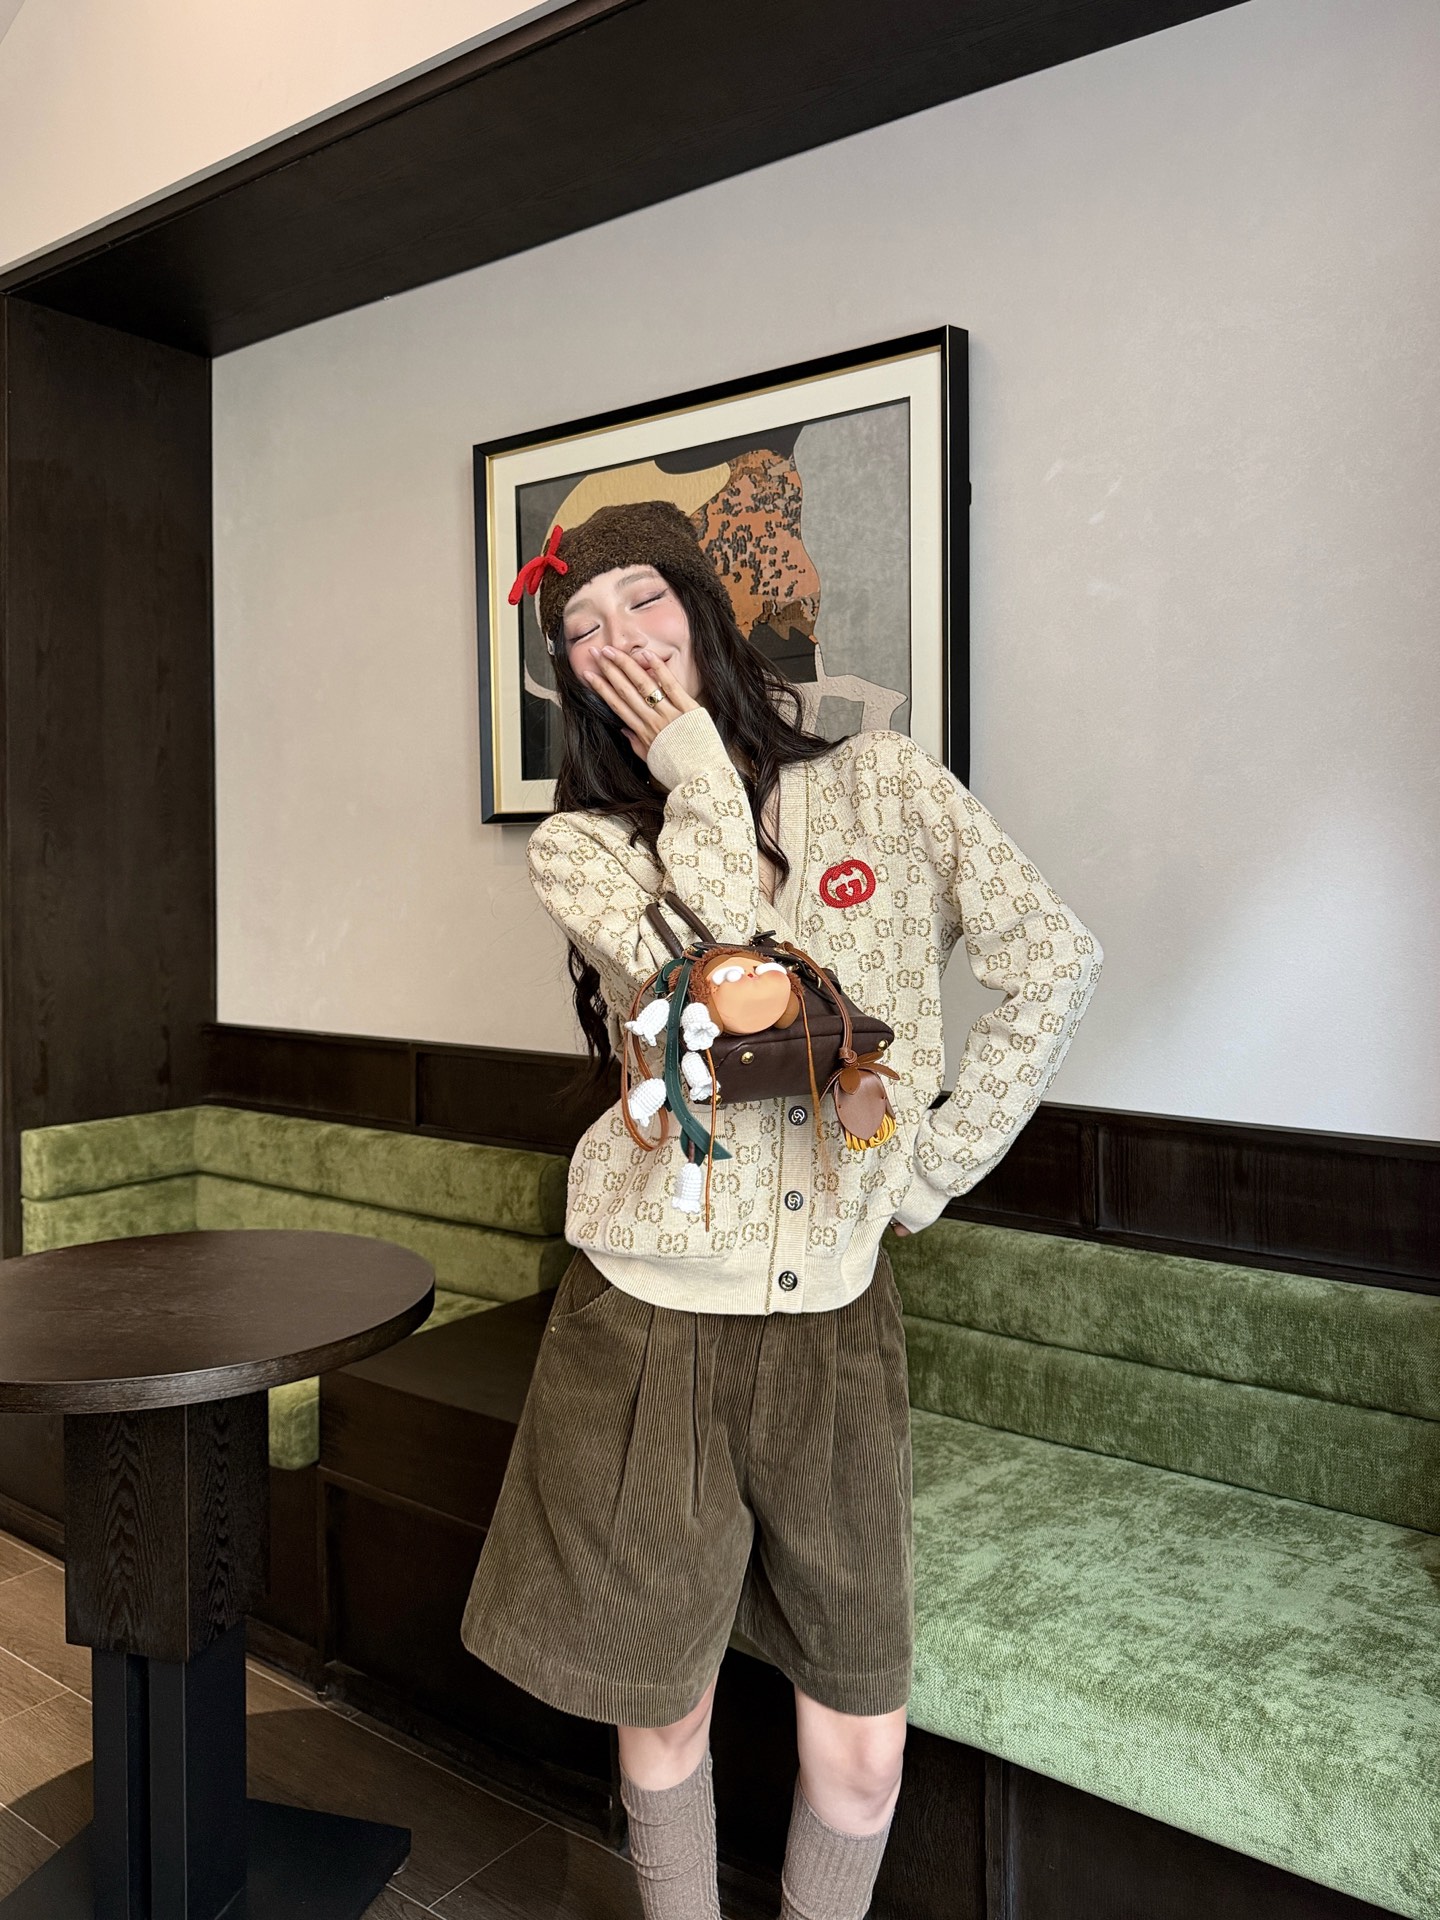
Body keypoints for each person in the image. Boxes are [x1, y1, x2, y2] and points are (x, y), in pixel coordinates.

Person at [462, 498, 1104, 1920]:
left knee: (864, 1753)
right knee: (666, 1713)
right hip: (646, 1325)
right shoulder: (585, 849)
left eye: (644, 600)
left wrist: (936, 1164)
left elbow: (1053, 958)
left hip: (834, 1326)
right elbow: (728, 994)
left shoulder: (888, 786)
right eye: (585, 629)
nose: (622, 640)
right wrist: (694, 769)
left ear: (704, 605)